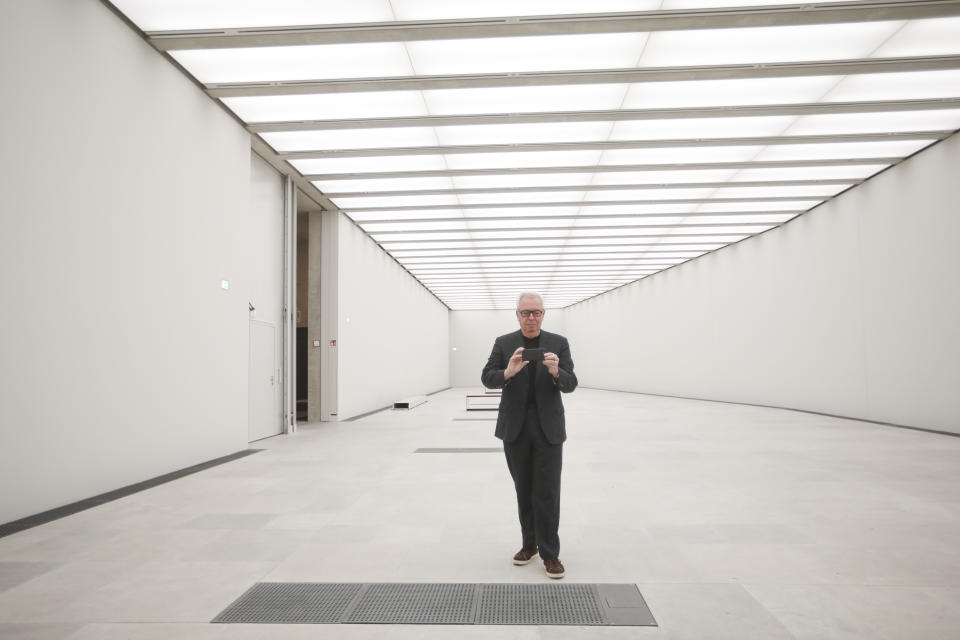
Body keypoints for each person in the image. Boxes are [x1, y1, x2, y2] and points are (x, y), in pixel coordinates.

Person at [481, 291, 578, 579]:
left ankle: (551, 554)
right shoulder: (504, 343)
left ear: (544, 314)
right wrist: (508, 372)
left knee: (547, 492)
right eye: (526, 312)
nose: (531, 318)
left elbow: (571, 383)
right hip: (516, 428)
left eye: (536, 312)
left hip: (548, 429)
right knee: (523, 489)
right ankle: (529, 545)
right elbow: (487, 377)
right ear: (518, 314)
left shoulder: (559, 343)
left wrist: (556, 370)